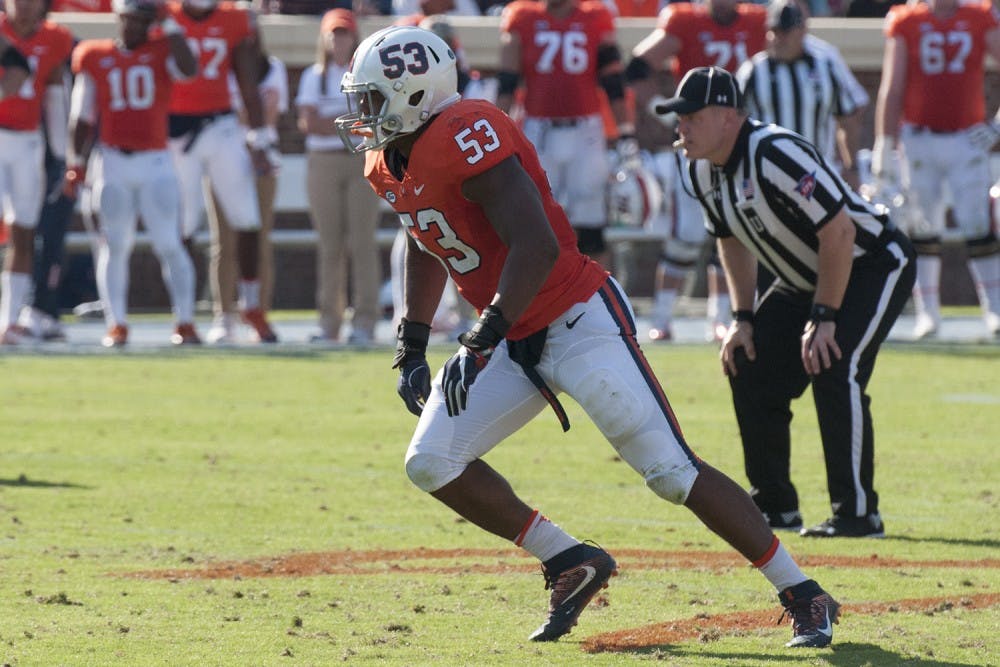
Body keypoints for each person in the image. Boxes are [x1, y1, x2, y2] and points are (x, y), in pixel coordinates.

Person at [336, 24, 841, 648]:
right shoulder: (388, 159)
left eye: (373, 98)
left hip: (575, 317)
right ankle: (569, 559)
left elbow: (538, 245)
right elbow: (426, 237)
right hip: (509, 333)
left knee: (671, 472)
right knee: (431, 462)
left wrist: (482, 336)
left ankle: (803, 593)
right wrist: (411, 343)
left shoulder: (467, 130)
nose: (363, 114)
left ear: (416, 93)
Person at [658, 65, 915, 536]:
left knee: (834, 366)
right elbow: (729, 239)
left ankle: (858, 513)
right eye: (680, 117)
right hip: (805, 278)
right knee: (747, 362)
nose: (683, 126)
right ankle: (775, 505)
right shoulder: (696, 166)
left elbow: (839, 232)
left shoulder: (774, 153)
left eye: (693, 116)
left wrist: (826, 316)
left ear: (729, 118)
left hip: (870, 263)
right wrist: (742, 317)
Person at [624, 0, 766, 343]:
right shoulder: (686, 21)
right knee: (686, 233)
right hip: (698, 142)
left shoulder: (758, 22)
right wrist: (662, 112)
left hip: (740, 141)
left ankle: (721, 318)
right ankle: (662, 316)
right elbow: (637, 67)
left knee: (732, 229)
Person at [67, 0, 201, 347]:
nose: (137, 28)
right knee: (113, 245)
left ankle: (185, 322)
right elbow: (81, 116)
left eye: (144, 21)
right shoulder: (94, 55)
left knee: (170, 243)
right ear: (119, 18)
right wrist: (75, 164)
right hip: (112, 161)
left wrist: (170, 25)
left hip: (156, 161)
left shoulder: (162, 49)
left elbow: (189, 69)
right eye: (131, 20)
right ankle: (117, 324)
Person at [872, 0, 1000, 339]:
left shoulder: (979, 17)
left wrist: (997, 125)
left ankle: (996, 311)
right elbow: (892, 86)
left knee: (977, 223)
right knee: (922, 226)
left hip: (966, 137)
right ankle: (928, 313)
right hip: (918, 137)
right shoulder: (905, 20)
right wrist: (884, 143)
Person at [165, 0, 278, 343]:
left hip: (221, 125)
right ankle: (183, 315)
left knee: (247, 218)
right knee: (183, 224)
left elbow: (249, 79)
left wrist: (258, 137)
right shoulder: (166, 15)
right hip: (176, 131)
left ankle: (252, 306)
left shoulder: (234, 19)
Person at [497, 0, 635, 269]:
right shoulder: (521, 16)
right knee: (537, 217)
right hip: (538, 129)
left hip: (586, 130)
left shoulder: (595, 16)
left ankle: (596, 295)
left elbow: (613, 81)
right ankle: (541, 296)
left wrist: (627, 133)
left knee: (591, 220)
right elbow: (507, 81)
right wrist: (497, 132)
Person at [295, 8, 381, 344]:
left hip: (361, 160)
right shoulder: (312, 76)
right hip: (324, 162)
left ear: (354, 37)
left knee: (363, 243)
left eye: (344, 33)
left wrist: (334, 120)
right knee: (330, 245)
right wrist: (347, 121)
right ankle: (329, 322)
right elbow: (308, 123)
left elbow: (371, 120)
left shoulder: (368, 74)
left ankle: (365, 321)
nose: (338, 39)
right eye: (333, 33)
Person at [0, 0, 73, 345]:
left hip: (28, 142)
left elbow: (56, 96)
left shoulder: (55, 38)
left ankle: (9, 320)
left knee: (24, 231)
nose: (25, 7)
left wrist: (61, 155)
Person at [203, 45, 287, 343]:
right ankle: (223, 315)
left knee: (260, 238)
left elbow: (270, 113)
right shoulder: (219, 68)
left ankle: (258, 312)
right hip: (223, 155)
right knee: (223, 241)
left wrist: (249, 125)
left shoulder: (272, 66)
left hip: (262, 157)